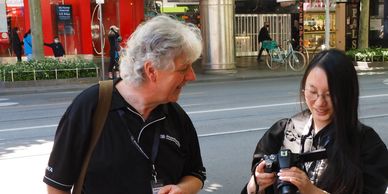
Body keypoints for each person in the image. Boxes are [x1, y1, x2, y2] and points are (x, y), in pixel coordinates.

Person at [43, 15, 206, 194]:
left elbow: (195, 172)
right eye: (183, 69)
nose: (192, 76)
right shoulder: (91, 106)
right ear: (151, 71)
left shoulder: (176, 116)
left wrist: (182, 189)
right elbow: (57, 185)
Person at [243, 49, 388, 194]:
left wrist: (312, 191)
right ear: (303, 90)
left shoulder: (368, 146)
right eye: (313, 92)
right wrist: (255, 185)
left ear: (347, 94)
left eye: (330, 94)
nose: (319, 102)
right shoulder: (282, 133)